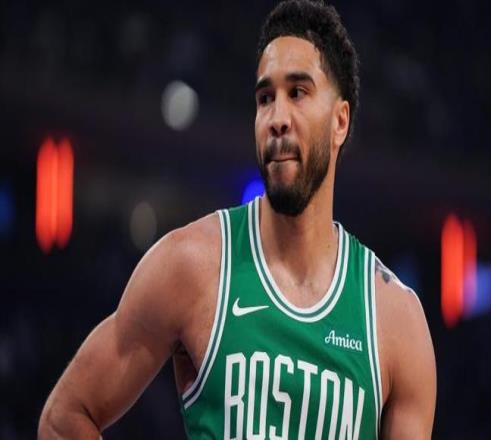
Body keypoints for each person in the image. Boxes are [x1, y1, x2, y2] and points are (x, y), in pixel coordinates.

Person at [38, 0, 436, 438]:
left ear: (340, 121)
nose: (277, 119)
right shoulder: (192, 264)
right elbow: (64, 418)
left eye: (297, 93)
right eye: (265, 98)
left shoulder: (395, 320)